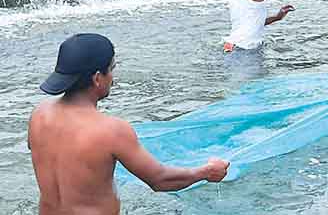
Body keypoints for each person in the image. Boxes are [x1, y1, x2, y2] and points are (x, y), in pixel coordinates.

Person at [29, 34, 229, 215]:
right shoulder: (111, 130)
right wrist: (206, 172)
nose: (113, 79)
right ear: (97, 78)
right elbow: (160, 180)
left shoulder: (39, 115)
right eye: (111, 69)